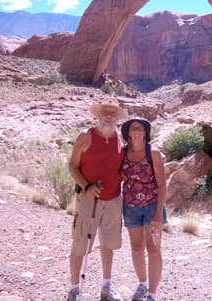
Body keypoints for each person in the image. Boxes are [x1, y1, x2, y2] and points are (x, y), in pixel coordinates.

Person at [67, 99, 127, 301]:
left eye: (112, 113)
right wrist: (87, 186)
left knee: (108, 243)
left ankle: (106, 287)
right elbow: (72, 167)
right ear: (98, 115)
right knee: (80, 242)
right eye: (105, 112)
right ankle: (74, 289)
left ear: (117, 118)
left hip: (113, 199)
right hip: (88, 199)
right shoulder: (86, 137)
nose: (109, 116)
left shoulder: (119, 138)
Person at [120, 118, 167, 301]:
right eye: (133, 128)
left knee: (153, 248)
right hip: (130, 207)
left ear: (146, 133)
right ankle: (142, 284)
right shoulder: (123, 153)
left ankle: (152, 294)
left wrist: (157, 215)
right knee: (136, 247)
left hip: (152, 207)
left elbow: (162, 185)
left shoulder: (153, 153)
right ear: (128, 133)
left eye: (140, 128)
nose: (137, 131)